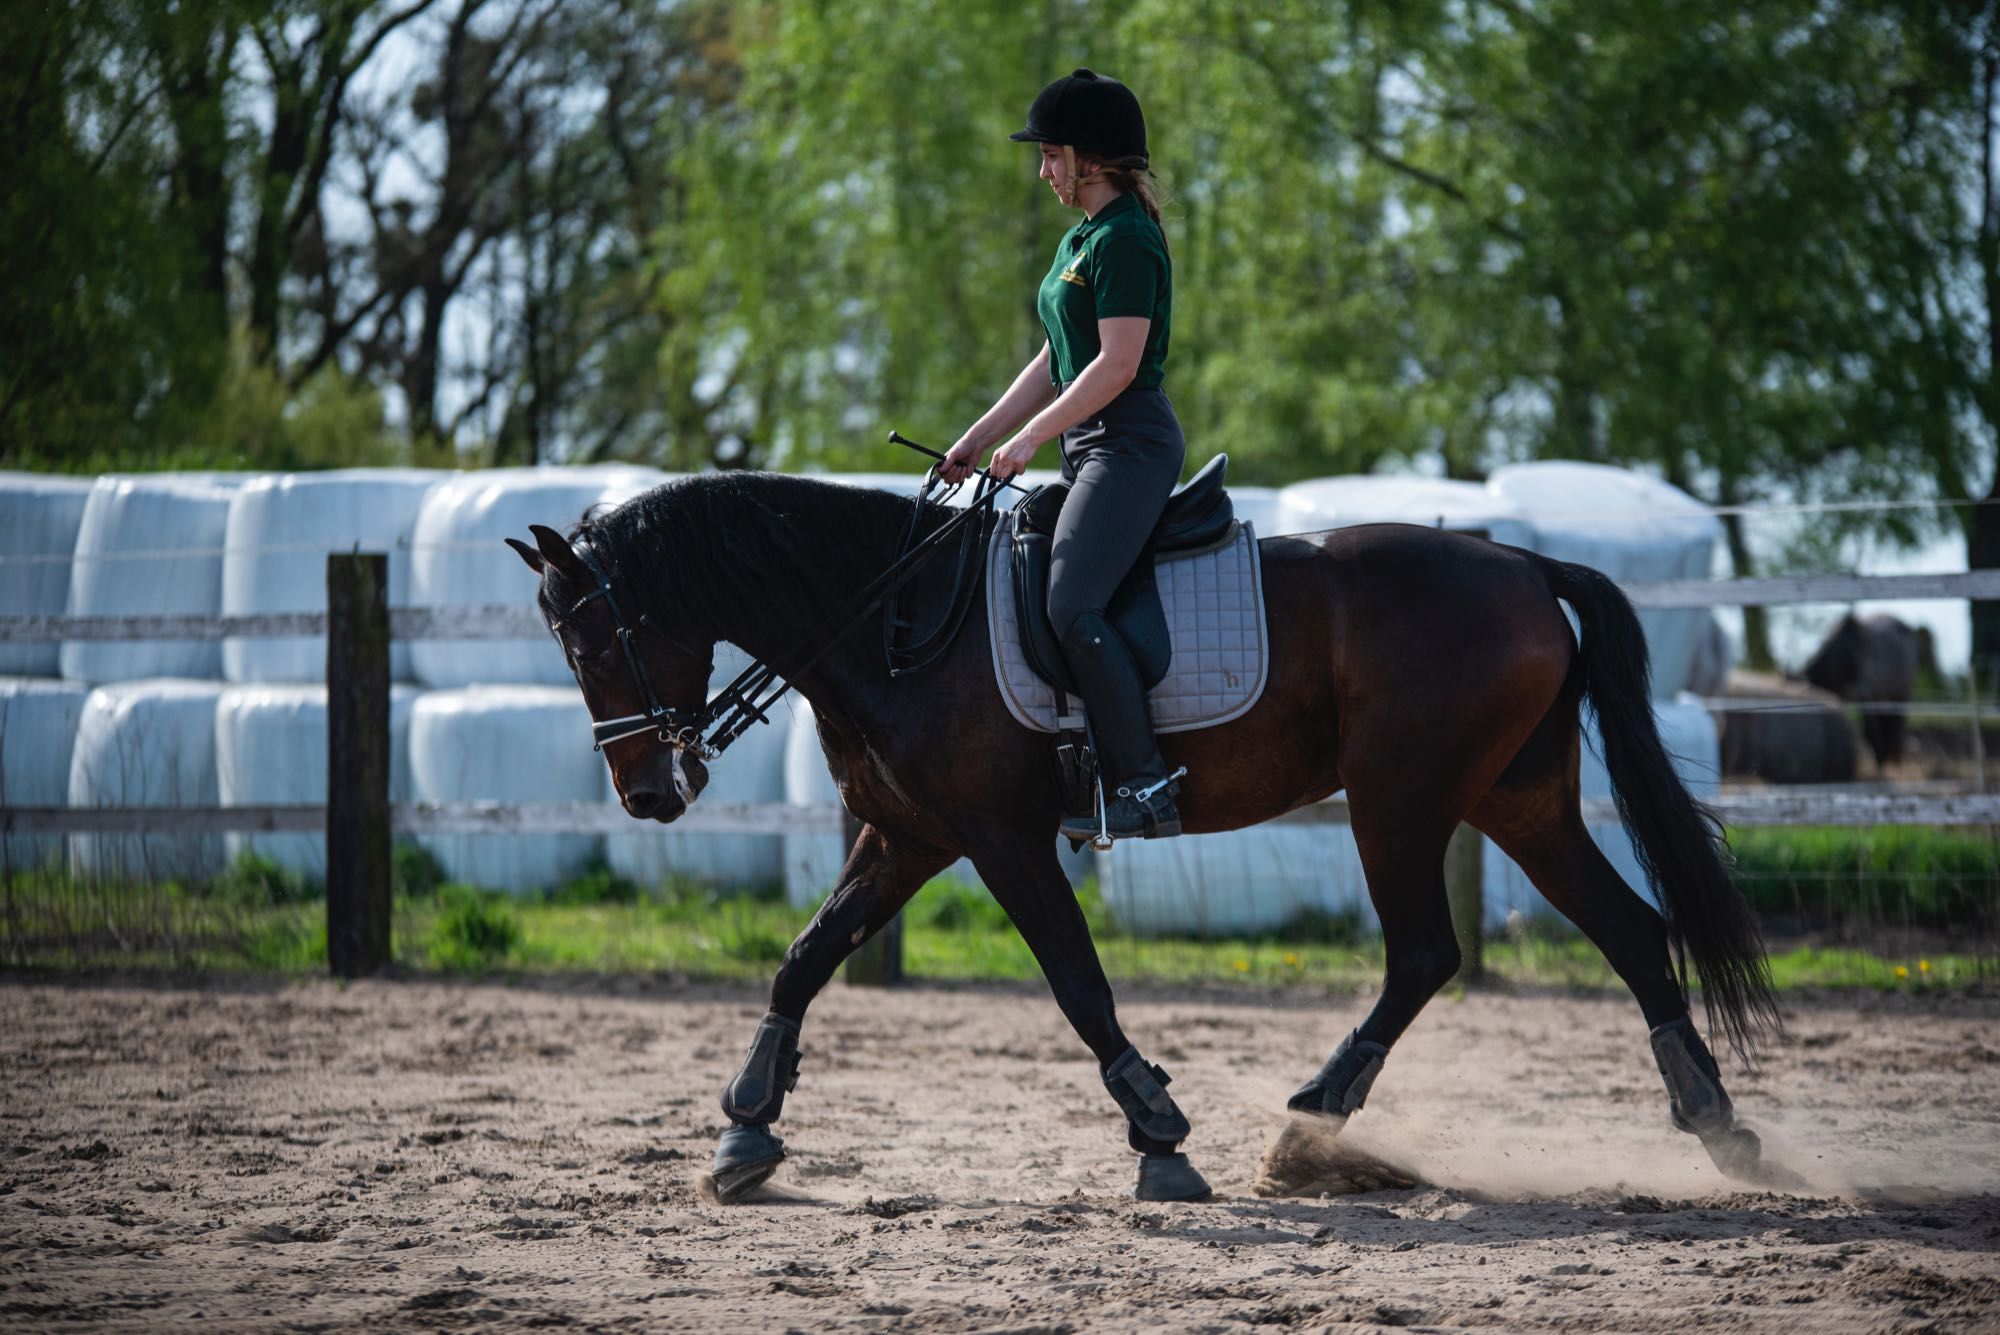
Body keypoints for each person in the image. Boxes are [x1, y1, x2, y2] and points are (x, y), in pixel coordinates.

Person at [940, 68, 1184, 841]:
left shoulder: (1127, 240)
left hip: (1130, 443)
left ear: (1093, 159)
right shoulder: (1079, 240)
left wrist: (1030, 439)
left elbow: (1114, 366)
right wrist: (979, 435)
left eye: (1051, 155)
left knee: (1072, 603)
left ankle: (1144, 784)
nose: (1043, 171)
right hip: (1088, 442)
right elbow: (1055, 359)